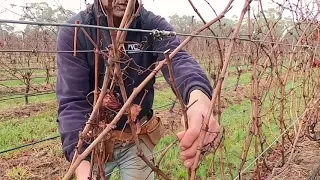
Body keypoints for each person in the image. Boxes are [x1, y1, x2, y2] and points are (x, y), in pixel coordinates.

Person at [56, 0, 221, 179]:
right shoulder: (76, 31)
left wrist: (198, 97)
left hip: (137, 136)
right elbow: (73, 101)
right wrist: (81, 160)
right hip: (92, 139)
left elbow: (178, 59)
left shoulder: (152, 26)